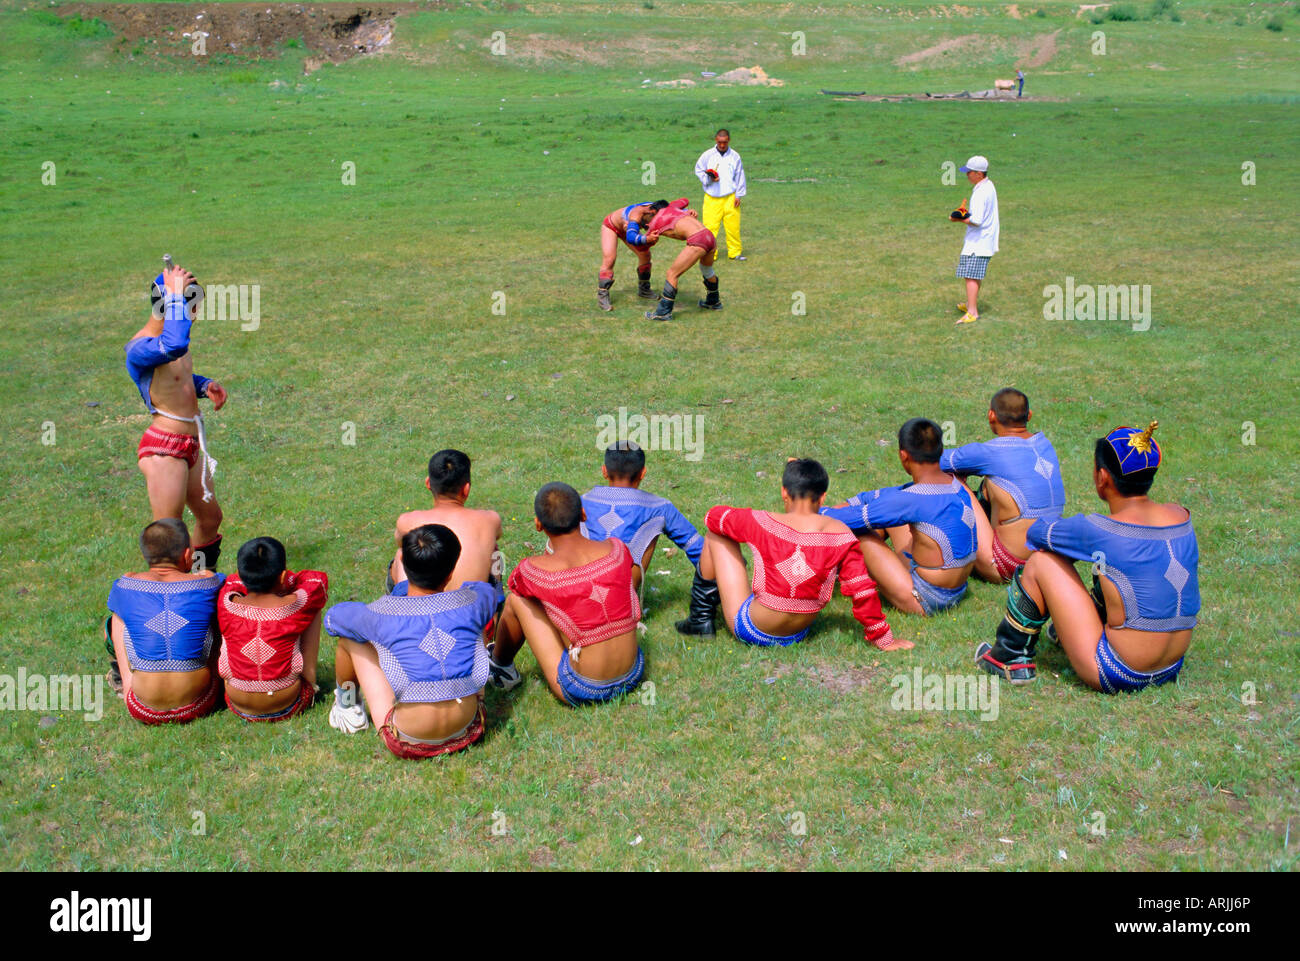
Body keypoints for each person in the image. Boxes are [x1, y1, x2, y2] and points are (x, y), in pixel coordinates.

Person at [976, 422, 1199, 691]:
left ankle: (1008, 656)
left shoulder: (1100, 530)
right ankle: (1070, 629)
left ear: (1102, 477)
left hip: (1119, 671)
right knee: (1108, 565)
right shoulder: (1180, 515)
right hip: (1171, 666)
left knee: (1042, 562)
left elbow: (1036, 535)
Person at [697, 458, 906, 650]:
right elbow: (862, 591)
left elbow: (713, 517)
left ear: (784, 493)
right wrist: (883, 639)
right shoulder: (842, 533)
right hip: (797, 634)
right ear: (822, 498)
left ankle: (699, 617)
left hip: (752, 630)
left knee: (716, 536)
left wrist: (744, 522)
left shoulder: (762, 522)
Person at [325, 524, 496, 758]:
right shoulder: (473, 600)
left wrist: (396, 597)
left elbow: (333, 619)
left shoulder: (380, 615)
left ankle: (347, 707)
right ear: (450, 572)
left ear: (403, 563)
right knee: (476, 625)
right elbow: (488, 591)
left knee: (349, 639)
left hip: (407, 738)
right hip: (470, 728)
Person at [489, 483, 645, 705]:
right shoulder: (617, 549)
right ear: (583, 514)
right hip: (633, 673)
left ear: (538, 525)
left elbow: (518, 587)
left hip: (585, 688)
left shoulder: (534, 570)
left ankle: (499, 667)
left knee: (518, 600)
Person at [822, 419, 979, 616]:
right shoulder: (954, 485)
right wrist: (855, 500)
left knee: (860, 534)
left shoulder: (913, 500)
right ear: (940, 451)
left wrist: (814, 510)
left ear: (903, 456)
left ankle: (816, 574)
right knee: (886, 515)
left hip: (926, 599)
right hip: (957, 590)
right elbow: (889, 496)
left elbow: (850, 519)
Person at [127, 263, 228, 570]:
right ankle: (169, 600)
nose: (195, 313)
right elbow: (173, 345)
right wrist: (175, 297)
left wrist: (203, 385)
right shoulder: (139, 347)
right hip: (164, 449)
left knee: (210, 519)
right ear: (168, 304)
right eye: (191, 305)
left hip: (190, 443)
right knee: (169, 537)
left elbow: (175, 375)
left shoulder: (174, 338)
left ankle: (199, 581)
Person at [939, 388, 1066, 583]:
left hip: (1005, 566)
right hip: (1048, 560)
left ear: (991, 415)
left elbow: (933, 461)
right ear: (1029, 415)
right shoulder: (1045, 444)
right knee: (992, 484)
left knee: (950, 481)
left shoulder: (991, 452)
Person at [105, 518, 225, 724]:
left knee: (117, 617)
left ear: (145, 555)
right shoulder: (209, 583)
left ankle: (126, 684)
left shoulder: (125, 585)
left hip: (142, 708)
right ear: (188, 555)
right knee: (217, 611)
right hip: (202, 701)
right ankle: (219, 677)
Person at [217, 537, 328, 722]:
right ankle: (310, 679)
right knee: (313, 605)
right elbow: (316, 580)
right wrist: (286, 583)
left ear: (240, 573)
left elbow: (231, 581)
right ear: (282, 576)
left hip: (237, 704)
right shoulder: (295, 606)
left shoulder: (225, 602)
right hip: (289, 705)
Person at [580, 441, 704, 594]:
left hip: (574, 599)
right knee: (654, 521)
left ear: (604, 471)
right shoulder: (659, 507)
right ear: (643, 473)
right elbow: (699, 550)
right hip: (621, 607)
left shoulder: (578, 502)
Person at [389, 449, 503, 597]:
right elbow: (497, 536)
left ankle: (398, 604)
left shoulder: (406, 521)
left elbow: (400, 543)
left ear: (428, 483)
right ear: (466, 489)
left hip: (420, 608)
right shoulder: (490, 519)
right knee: (496, 552)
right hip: (470, 609)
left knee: (402, 552)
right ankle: (496, 606)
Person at [597, 199, 687, 310]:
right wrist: (646, 239)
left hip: (627, 229)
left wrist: (687, 213)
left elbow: (682, 202)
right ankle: (602, 295)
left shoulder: (656, 209)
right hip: (611, 227)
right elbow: (631, 238)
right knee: (609, 259)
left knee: (645, 256)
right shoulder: (636, 215)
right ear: (652, 212)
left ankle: (644, 290)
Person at [642, 202, 723, 320]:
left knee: (672, 274)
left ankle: (663, 313)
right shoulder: (673, 209)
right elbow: (684, 200)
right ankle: (713, 302)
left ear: (653, 212)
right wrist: (689, 210)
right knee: (706, 269)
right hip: (709, 236)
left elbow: (641, 245)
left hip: (698, 240)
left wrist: (643, 236)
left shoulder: (654, 222)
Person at [949, 156, 999, 326]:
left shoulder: (980, 193)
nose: (967, 175)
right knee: (973, 275)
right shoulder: (988, 186)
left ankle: (972, 312)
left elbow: (977, 220)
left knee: (969, 275)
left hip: (979, 243)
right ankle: (971, 305)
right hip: (984, 241)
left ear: (978, 173)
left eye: (969, 172)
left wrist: (957, 218)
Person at [694, 128, 747, 261]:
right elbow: (698, 170)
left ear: (729, 140)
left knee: (733, 227)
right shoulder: (707, 155)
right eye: (720, 142)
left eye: (724, 142)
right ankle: (710, 254)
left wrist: (739, 195)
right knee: (710, 228)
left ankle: (735, 253)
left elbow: (740, 175)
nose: (722, 145)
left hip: (730, 197)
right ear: (716, 140)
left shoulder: (735, 156)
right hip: (712, 198)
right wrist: (708, 179)